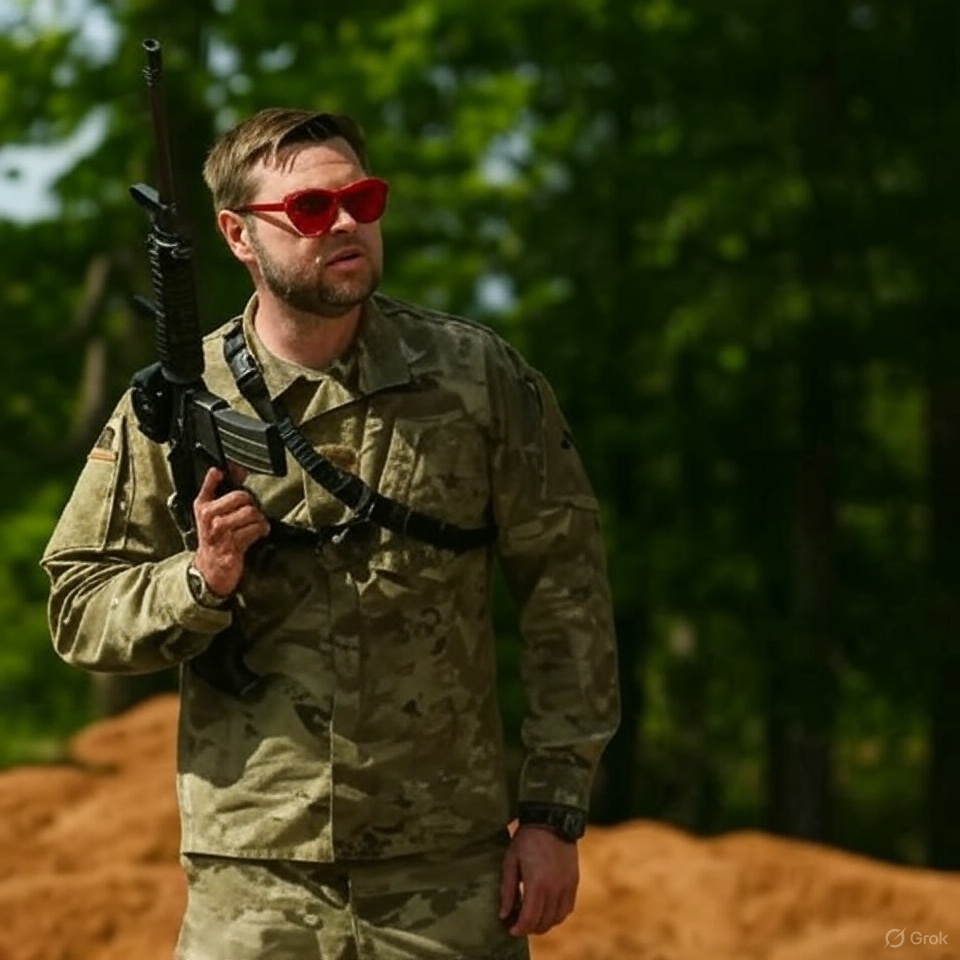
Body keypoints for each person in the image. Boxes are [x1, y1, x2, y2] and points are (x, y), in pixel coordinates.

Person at [41, 107, 620, 960]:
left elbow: (566, 590)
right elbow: (78, 607)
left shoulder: (475, 380)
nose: (346, 223)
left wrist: (554, 811)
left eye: (363, 200)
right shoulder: (177, 402)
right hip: (255, 879)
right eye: (312, 209)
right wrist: (199, 579)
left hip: (446, 873)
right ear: (238, 235)